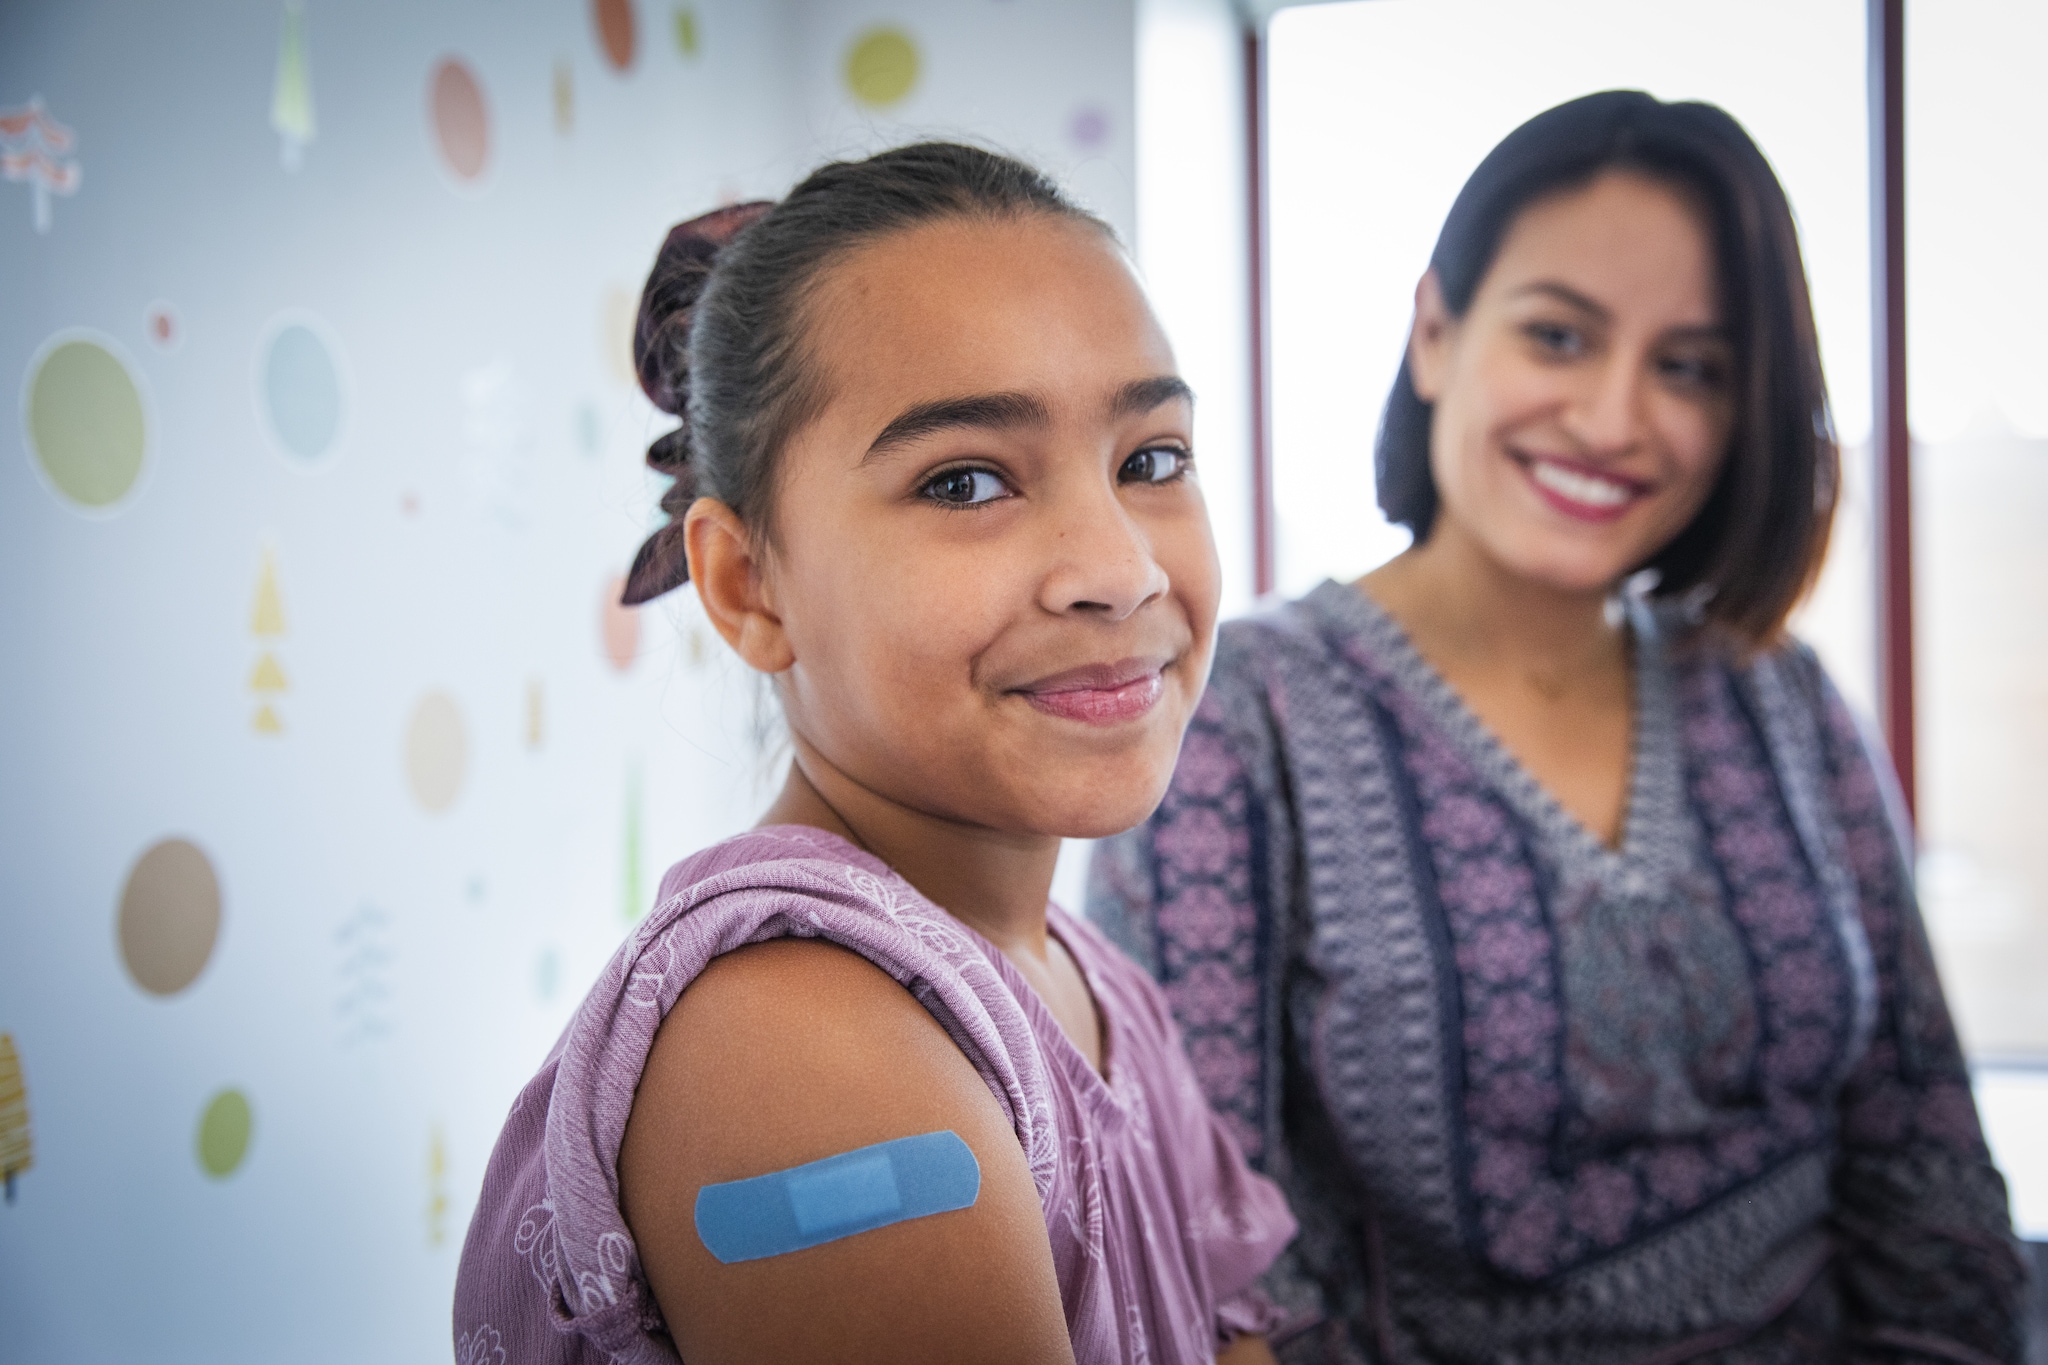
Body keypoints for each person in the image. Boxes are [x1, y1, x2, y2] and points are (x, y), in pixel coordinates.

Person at [1089, 92, 2027, 1364]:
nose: (1610, 419)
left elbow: (1925, 1170)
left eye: (1687, 367)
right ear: (1434, 334)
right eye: (1557, 336)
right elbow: (1223, 1273)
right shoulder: (1239, 724)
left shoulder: (1781, 699)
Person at [453, 143, 1296, 1365]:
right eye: (964, 482)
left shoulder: (1092, 982)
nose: (1119, 570)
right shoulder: (794, 1054)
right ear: (747, 587)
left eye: (1149, 460)